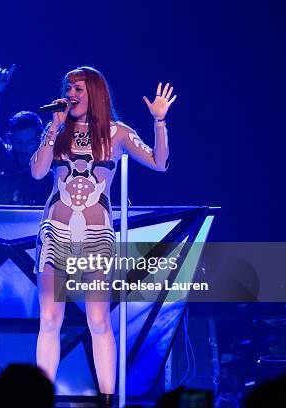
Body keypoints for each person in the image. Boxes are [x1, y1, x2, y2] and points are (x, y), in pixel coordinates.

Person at [31, 66, 176, 407]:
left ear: (95, 93)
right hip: (56, 231)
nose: (72, 95)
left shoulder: (117, 132)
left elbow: (160, 162)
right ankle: (40, 398)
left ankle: (108, 399)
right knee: (50, 318)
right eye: (69, 88)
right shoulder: (59, 130)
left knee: (98, 319)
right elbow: (37, 172)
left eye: (79, 89)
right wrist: (52, 129)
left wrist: (159, 121)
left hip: (97, 234)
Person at [0, 63, 53, 205]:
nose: (24, 149)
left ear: (39, 140)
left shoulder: (47, 176)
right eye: (18, 142)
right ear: (9, 138)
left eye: (29, 143)